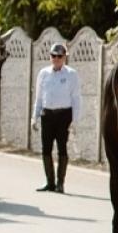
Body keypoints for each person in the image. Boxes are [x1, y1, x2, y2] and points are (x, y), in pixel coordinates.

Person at [32, 41, 80, 193]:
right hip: (47, 114)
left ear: (65, 58)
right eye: (54, 56)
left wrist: (75, 120)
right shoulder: (43, 73)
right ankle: (50, 182)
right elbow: (39, 97)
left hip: (63, 115)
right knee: (46, 149)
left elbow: (76, 98)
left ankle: (60, 183)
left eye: (60, 56)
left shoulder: (71, 74)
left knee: (62, 149)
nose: (56, 59)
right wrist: (34, 117)